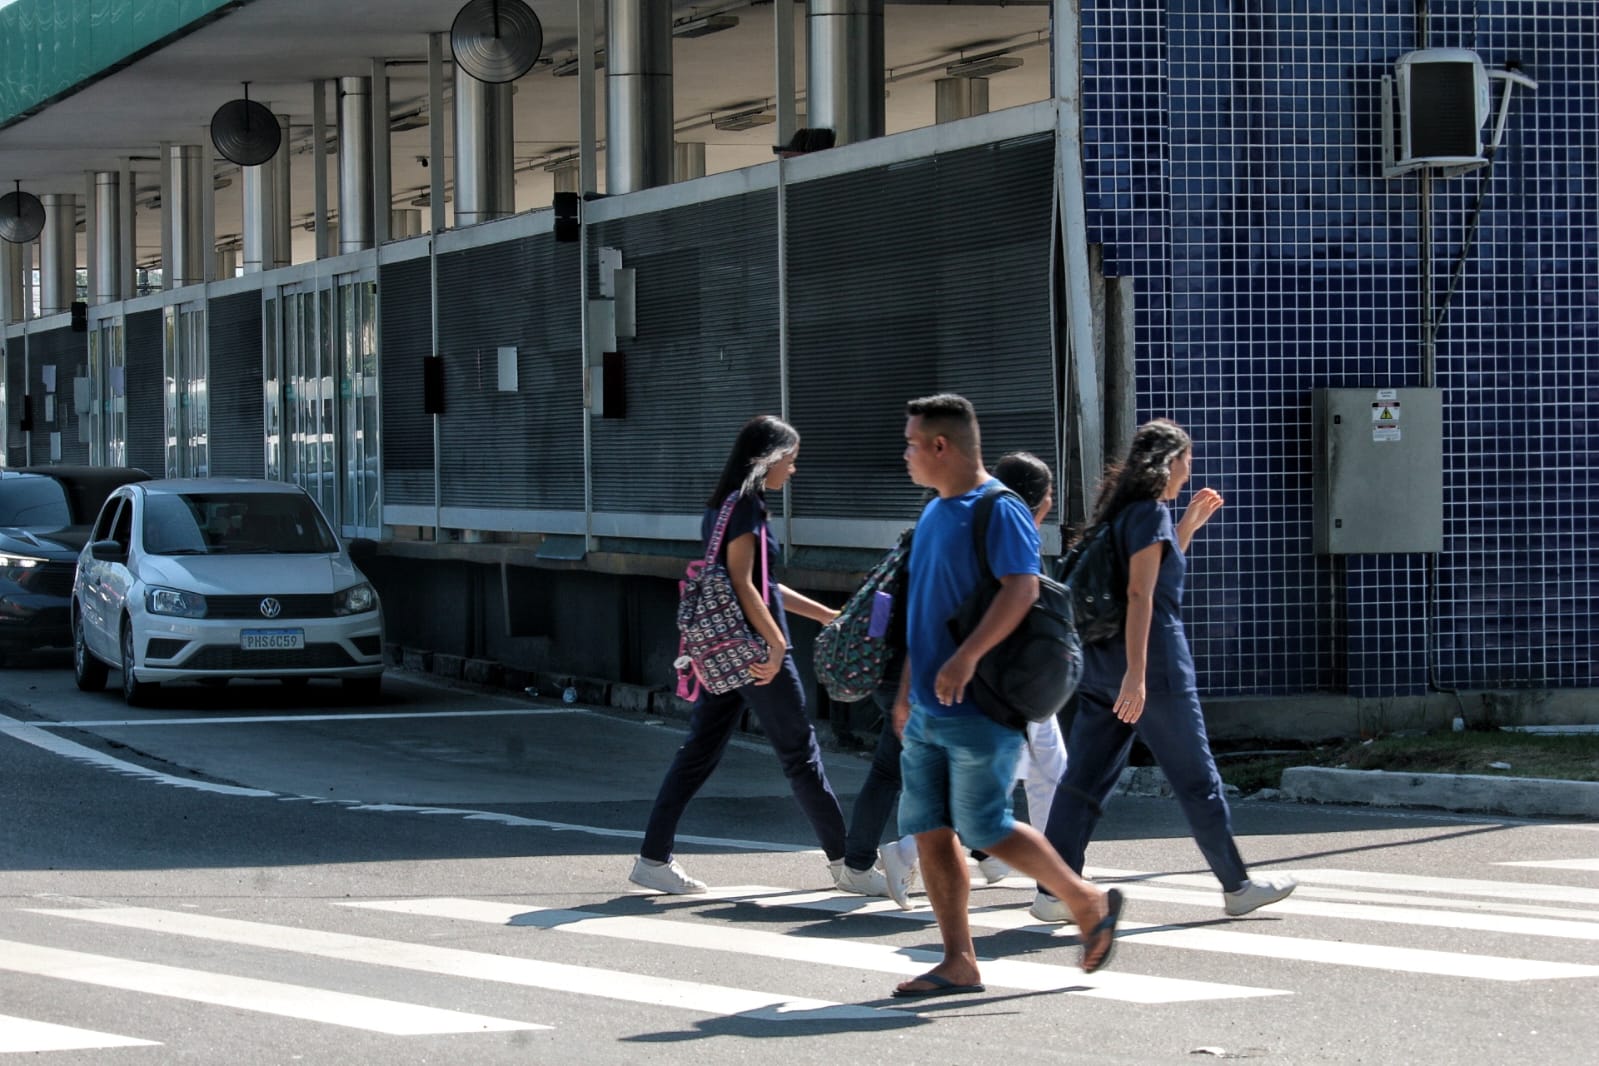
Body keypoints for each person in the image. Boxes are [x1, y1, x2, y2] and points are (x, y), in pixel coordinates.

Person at [888, 393, 1122, 999]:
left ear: (943, 445)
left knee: (984, 825)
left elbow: (1020, 590)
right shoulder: (936, 511)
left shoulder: (1000, 508)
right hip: (931, 706)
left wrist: (966, 658)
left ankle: (1085, 900)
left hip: (981, 704)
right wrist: (910, 686)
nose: (907, 454)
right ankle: (958, 960)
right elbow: (927, 611)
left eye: (912, 443)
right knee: (931, 827)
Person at [1034, 418, 1297, 922]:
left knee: (1083, 783)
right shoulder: (1149, 514)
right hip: (1153, 670)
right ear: (1169, 463)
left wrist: (1187, 528)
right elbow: (1141, 594)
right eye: (1186, 462)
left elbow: (1145, 577)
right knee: (1197, 779)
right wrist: (1138, 674)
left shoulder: (1122, 515)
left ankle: (1052, 891)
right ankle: (1237, 885)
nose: (1188, 472)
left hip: (1100, 668)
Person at [835, 451, 1071, 907]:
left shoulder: (942, 528)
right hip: (990, 681)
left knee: (969, 775)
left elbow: (914, 611)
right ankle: (1052, 885)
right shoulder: (1004, 533)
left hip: (926, 672)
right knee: (1033, 773)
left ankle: (890, 856)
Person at [631, 415, 852, 895]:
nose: (792, 471)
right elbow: (743, 584)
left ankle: (652, 857)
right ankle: (848, 862)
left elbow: (763, 584)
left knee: (699, 751)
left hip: (723, 653)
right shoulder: (748, 508)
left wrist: (823, 614)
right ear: (768, 460)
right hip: (753, 654)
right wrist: (776, 645)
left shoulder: (722, 508)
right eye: (790, 461)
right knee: (800, 753)